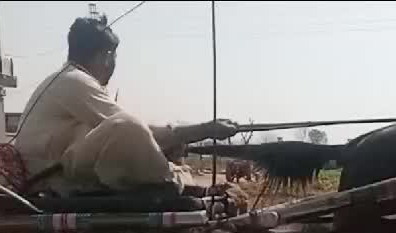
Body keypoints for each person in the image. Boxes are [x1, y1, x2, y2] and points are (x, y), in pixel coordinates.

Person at [13, 14, 239, 198]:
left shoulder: (70, 79)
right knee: (128, 126)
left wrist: (172, 139)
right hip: (52, 176)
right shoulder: (74, 81)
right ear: (106, 56)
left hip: (58, 169)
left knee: (134, 133)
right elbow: (129, 128)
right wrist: (202, 130)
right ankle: (172, 183)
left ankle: (174, 179)